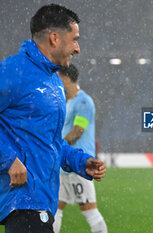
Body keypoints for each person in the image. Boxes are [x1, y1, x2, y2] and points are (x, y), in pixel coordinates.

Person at [0, 4, 106, 233]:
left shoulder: (54, 82)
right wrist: (9, 159)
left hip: (43, 198)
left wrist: (80, 162)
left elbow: (50, 142)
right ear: (55, 38)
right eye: (74, 39)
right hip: (22, 202)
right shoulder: (12, 71)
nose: (77, 49)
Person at [53, 64, 107, 233]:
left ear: (66, 78)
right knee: (55, 210)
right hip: (64, 167)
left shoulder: (83, 101)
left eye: (58, 77)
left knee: (90, 211)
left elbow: (78, 131)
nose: (56, 81)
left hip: (80, 165)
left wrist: (54, 144)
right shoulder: (68, 101)